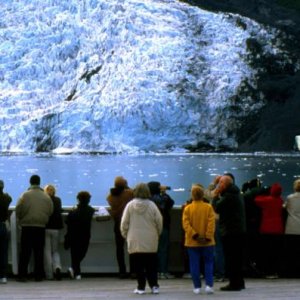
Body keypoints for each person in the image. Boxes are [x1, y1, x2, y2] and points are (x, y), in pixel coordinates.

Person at [121, 183, 162, 295]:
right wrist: (157, 234)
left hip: (134, 239)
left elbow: (124, 223)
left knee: (138, 266)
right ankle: (154, 286)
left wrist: (126, 235)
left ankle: (141, 287)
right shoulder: (152, 205)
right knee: (151, 265)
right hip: (150, 239)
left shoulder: (130, 205)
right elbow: (159, 221)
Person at [16, 175, 53, 282]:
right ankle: (38, 275)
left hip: (27, 226)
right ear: (39, 182)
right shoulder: (46, 196)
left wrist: (21, 218)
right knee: (39, 251)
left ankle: (22, 275)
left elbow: (18, 209)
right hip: (40, 227)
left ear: (30, 182)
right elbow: (50, 210)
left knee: (25, 252)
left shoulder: (24, 195)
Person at [214, 174, 246, 291]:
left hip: (231, 231)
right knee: (237, 258)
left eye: (221, 183)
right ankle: (240, 282)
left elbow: (216, 207)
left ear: (225, 184)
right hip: (239, 230)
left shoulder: (229, 196)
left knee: (231, 258)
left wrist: (216, 194)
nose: (219, 185)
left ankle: (234, 284)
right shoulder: (236, 192)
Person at [182, 184, 215, 295]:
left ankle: (197, 286)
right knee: (208, 263)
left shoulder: (187, 208)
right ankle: (209, 285)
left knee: (194, 264)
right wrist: (207, 236)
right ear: (202, 195)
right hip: (207, 242)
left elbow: (186, 224)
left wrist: (194, 235)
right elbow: (211, 223)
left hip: (192, 242)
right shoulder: (208, 207)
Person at [255, 182, 284, 278]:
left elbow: (256, 199)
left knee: (267, 251)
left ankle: (268, 271)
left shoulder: (266, 200)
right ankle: (275, 271)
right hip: (278, 229)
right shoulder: (280, 200)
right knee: (276, 251)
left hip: (266, 229)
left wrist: (263, 192)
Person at [107, 176, 134, 278]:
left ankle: (122, 271)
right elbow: (134, 193)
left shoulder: (110, 196)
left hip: (117, 223)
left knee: (119, 248)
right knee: (132, 247)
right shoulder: (128, 194)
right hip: (129, 223)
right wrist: (127, 186)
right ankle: (133, 271)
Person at [64, 191, 95, 280]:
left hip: (73, 235)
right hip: (85, 235)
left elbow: (67, 221)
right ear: (88, 200)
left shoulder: (73, 212)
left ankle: (75, 271)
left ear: (78, 199)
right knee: (82, 253)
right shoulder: (90, 211)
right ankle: (76, 272)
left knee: (74, 254)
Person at [148, 181, 174, 279]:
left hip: (150, 227)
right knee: (163, 249)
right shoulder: (162, 198)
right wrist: (164, 193)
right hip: (163, 226)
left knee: (152, 250)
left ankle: (155, 271)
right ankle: (163, 271)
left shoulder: (148, 199)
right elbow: (171, 203)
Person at [44, 184, 63, 280]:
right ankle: (57, 267)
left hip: (46, 227)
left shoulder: (43, 200)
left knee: (47, 251)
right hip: (56, 228)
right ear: (54, 191)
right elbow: (59, 210)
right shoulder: (58, 200)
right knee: (55, 251)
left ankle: (49, 275)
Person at [284, 179, 300, 277]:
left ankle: (291, 271)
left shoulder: (290, 198)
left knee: (292, 252)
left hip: (292, 227)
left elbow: (286, 207)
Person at [0, 180, 12, 284]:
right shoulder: (6, 198)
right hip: (3, 225)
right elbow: (10, 198)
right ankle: (3, 276)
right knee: (3, 252)